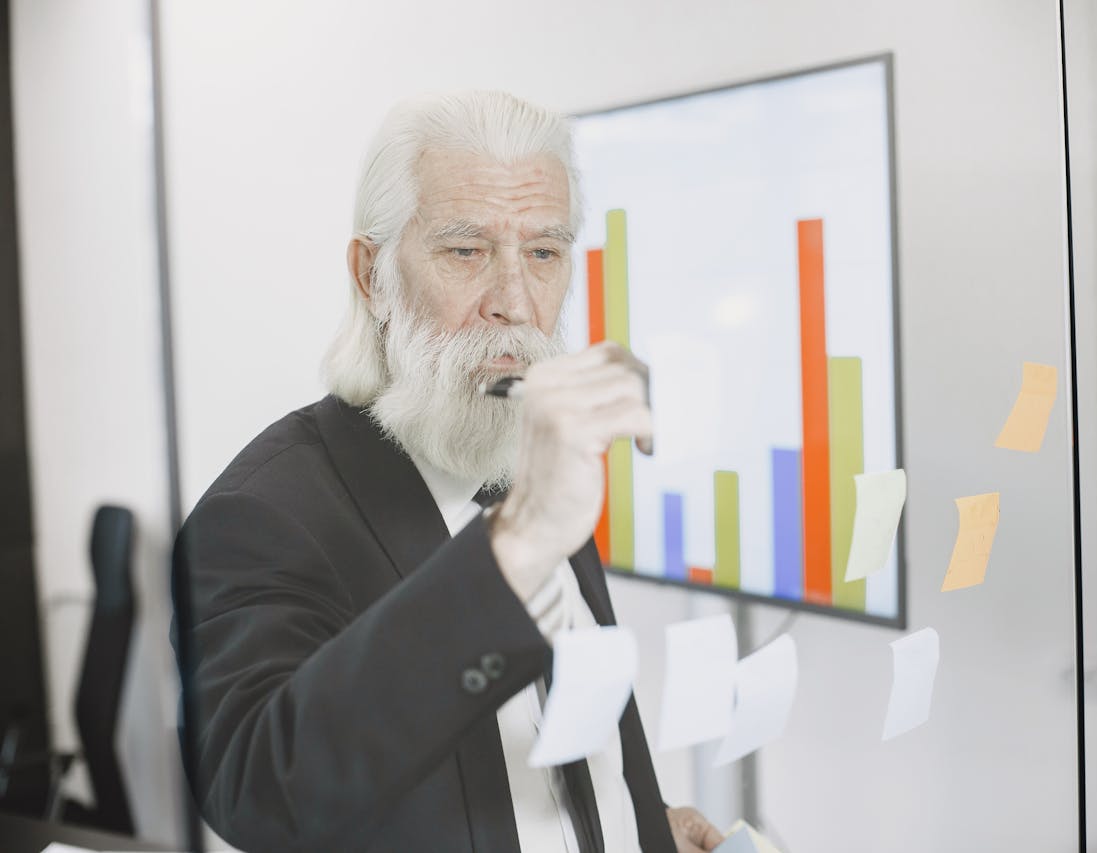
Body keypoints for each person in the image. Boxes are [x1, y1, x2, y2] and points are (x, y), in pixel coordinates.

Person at [172, 91, 726, 853]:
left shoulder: (516, 456)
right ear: (372, 276)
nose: (516, 303)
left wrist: (643, 829)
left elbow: (556, 749)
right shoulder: (264, 514)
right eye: (465, 251)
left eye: (543, 252)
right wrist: (522, 540)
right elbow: (261, 794)